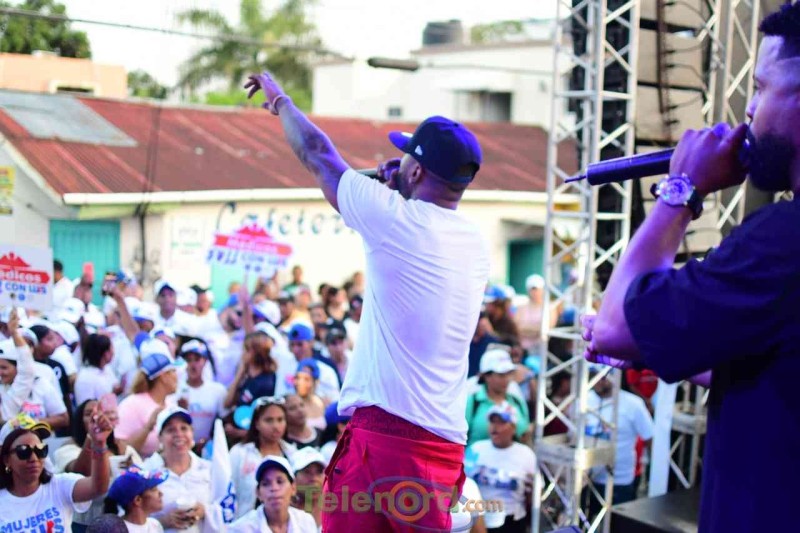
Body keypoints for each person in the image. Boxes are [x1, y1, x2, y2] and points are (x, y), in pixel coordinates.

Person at [583, 4, 800, 532]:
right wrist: (660, 342)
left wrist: (682, 189)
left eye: (761, 88)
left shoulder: (784, 240)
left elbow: (613, 326)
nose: (748, 111)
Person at [246, 71, 489, 530]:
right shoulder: (474, 243)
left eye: (406, 156)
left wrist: (281, 102)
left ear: (416, 170)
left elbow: (318, 155)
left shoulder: (395, 220)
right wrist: (397, 187)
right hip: (441, 446)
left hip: (387, 437)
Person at [0, 408, 112, 532]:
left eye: (40, 449)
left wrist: (99, 444)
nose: (34, 458)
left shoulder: (59, 485)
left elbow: (98, 487)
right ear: (6, 459)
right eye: (23, 451)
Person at [53, 399, 142, 531]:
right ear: (79, 420)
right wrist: (93, 437)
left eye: (102, 413)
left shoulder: (123, 449)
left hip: (122, 522)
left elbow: (142, 478)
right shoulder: (67, 449)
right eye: (89, 413)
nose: (97, 417)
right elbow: (81, 472)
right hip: (82, 524)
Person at [585, 369, 653, 509]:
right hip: (587, 479)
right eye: (593, 376)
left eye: (603, 377)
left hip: (619, 481)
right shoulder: (583, 400)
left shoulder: (633, 404)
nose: (598, 381)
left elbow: (650, 438)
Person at [468, 404, 537, 533]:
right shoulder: (476, 449)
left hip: (511, 521)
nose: (495, 427)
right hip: (478, 519)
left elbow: (533, 495)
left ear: (513, 428)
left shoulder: (526, 455)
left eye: (501, 422)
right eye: (492, 422)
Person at [142, 408, 211, 533]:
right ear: (160, 437)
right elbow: (131, 518)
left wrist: (205, 511)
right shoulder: (145, 472)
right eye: (170, 430)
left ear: (192, 432)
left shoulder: (209, 469)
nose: (179, 434)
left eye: (184, 428)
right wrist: (162, 522)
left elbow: (227, 508)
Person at [229, 397, 296, 519]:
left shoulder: (292, 453)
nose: (276, 426)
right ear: (257, 423)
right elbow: (228, 492)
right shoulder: (239, 453)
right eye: (269, 420)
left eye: (280, 420)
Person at [116, 343, 179, 458]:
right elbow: (119, 450)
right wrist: (148, 427)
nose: (177, 376)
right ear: (164, 376)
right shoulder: (131, 404)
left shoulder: (171, 404)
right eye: (173, 371)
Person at [228, 455, 317, 533]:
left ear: (293, 488)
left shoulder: (306, 522)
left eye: (280, 481)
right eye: (266, 484)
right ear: (258, 493)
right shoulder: (240, 529)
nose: (274, 488)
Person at [465, 349, 530, 446]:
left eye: (509, 373)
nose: (507, 379)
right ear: (486, 376)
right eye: (501, 375)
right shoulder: (472, 402)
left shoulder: (516, 401)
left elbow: (525, 433)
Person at [175, 340, 227, 448]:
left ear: (205, 361)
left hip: (208, 448)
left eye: (197, 359)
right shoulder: (175, 390)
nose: (193, 365)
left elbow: (225, 421)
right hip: (179, 446)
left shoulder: (218, 390)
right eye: (188, 360)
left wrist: (210, 439)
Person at [103, 466, 167, 533]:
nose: (161, 493)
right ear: (137, 500)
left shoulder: (155, 525)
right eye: (154, 489)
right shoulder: (117, 530)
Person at [75, 333, 121, 406]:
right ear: (105, 353)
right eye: (110, 349)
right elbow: (87, 407)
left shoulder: (107, 369)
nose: (113, 352)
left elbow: (115, 385)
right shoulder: (85, 378)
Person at [289, 447, 327, 530]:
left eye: (319, 472)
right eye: (307, 472)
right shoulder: (284, 513)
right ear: (293, 478)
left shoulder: (336, 510)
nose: (314, 478)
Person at [292, 360, 326, 430]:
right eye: (297, 378)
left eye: (306, 379)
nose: (300, 383)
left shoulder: (324, 403)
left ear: (316, 382)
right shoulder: (290, 405)